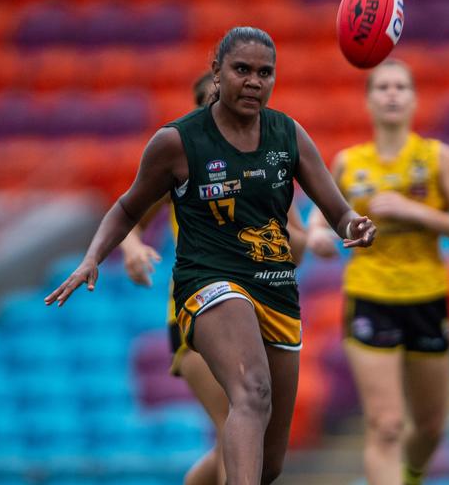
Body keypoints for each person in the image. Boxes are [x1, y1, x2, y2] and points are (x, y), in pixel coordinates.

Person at [45, 26, 375, 485]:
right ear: (216, 71)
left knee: (268, 463)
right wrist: (92, 257)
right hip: (210, 284)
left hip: (276, 289)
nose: (254, 81)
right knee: (252, 392)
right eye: (242, 69)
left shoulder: (288, 134)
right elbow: (126, 208)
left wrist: (353, 225)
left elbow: (336, 208)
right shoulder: (177, 143)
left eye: (265, 72)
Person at [120, 70, 308, 485]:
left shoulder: (265, 165)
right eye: (211, 101)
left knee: (248, 436)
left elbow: (298, 247)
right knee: (238, 414)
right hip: (196, 309)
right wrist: (133, 249)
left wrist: (269, 233)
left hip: (257, 310)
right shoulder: (184, 162)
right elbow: (129, 218)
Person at [307, 59, 449, 485]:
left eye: (400, 87)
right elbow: (318, 217)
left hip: (427, 295)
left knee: (430, 426)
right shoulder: (350, 163)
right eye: (382, 87)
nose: (390, 94)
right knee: (385, 424)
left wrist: (413, 211)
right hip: (371, 295)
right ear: (367, 101)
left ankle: (412, 474)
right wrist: (318, 237)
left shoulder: (437, 157)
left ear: (413, 99)